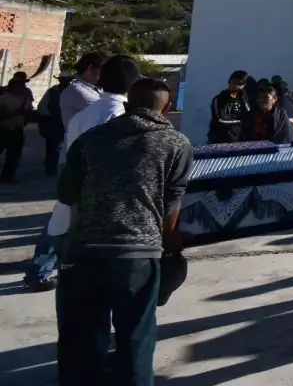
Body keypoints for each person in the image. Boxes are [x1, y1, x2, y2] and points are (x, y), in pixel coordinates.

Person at [55, 78, 192, 386]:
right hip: (138, 255)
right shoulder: (176, 144)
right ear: (167, 108)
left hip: (84, 250)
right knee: (136, 337)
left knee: (81, 340)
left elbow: (66, 193)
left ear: (127, 105)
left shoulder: (90, 140)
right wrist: (170, 243)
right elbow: (173, 201)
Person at [24, 58, 141, 291]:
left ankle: (44, 270)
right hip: (101, 185)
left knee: (64, 221)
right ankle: (48, 271)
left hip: (77, 174)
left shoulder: (88, 112)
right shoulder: (118, 113)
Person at [37, 71, 73, 176]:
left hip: (67, 123)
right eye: (63, 80)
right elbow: (42, 106)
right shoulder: (52, 92)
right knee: (52, 146)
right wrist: (51, 114)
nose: (65, 82)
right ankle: (51, 167)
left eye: (67, 80)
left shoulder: (73, 92)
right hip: (54, 124)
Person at [0, 72, 35, 182]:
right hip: (14, 129)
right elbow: (29, 110)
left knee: (13, 155)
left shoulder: (4, 95)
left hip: (9, 129)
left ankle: (7, 176)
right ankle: (6, 177)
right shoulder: (24, 95)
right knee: (13, 155)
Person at [59, 53, 107, 129]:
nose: (107, 75)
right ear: (90, 68)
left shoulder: (97, 88)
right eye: (104, 70)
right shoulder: (77, 91)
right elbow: (107, 112)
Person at [208, 70, 251, 144]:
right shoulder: (218, 99)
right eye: (235, 83)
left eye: (240, 84)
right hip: (219, 139)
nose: (237, 86)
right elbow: (219, 120)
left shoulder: (243, 98)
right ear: (229, 81)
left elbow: (248, 114)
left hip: (239, 139)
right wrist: (239, 121)